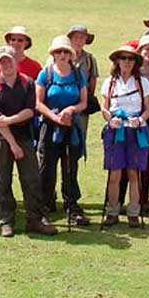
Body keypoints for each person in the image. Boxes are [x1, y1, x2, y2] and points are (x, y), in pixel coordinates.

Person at [0, 46, 58, 237]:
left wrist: (9, 120)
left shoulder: (27, 83)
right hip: (1, 138)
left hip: (24, 135)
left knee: (32, 179)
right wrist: (13, 144)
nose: (6, 64)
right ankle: (6, 222)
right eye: (2, 61)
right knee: (2, 180)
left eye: (9, 60)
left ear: (15, 60)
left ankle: (35, 220)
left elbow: (30, 111)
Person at [35, 35, 90, 226]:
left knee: (70, 167)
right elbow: (38, 102)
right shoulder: (46, 74)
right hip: (49, 127)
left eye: (66, 51)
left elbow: (84, 102)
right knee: (46, 168)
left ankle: (72, 205)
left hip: (71, 127)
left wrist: (72, 109)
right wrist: (54, 116)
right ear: (53, 53)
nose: (63, 54)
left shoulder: (77, 75)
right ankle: (44, 206)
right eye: (59, 51)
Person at [99, 44, 149, 227]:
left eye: (130, 59)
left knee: (134, 173)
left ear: (135, 62)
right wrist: (110, 120)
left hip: (135, 130)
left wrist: (140, 119)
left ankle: (133, 211)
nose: (126, 62)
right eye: (123, 58)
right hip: (116, 131)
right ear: (117, 61)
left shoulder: (142, 82)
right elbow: (104, 108)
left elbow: (148, 109)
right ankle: (112, 211)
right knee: (115, 173)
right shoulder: (109, 82)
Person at [116, 35, 149, 213]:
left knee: (144, 163)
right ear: (139, 51)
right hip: (129, 121)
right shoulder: (131, 72)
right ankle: (118, 200)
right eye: (146, 49)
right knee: (122, 164)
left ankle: (141, 200)